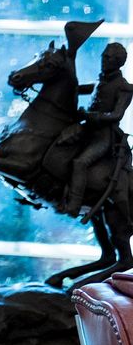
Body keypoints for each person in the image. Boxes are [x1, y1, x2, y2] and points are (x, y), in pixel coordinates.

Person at [59, 41, 133, 215]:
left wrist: (93, 116)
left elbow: (116, 115)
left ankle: (74, 205)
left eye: (109, 58)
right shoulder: (98, 83)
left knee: (80, 163)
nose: (104, 60)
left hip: (103, 135)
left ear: (118, 62)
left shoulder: (125, 87)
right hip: (86, 129)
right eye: (104, 56)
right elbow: (73, 88)